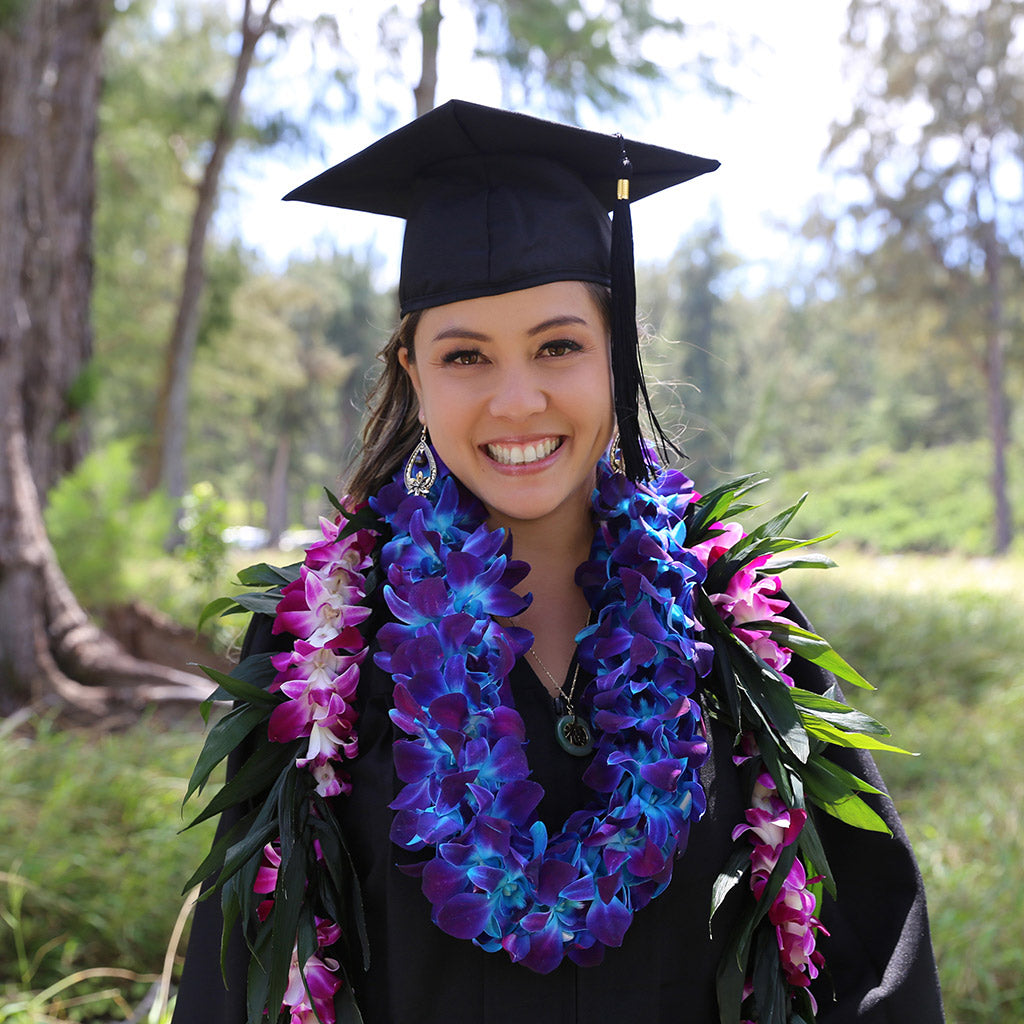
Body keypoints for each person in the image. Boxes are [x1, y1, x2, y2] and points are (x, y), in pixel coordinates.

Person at [173, 100, 945, 1024]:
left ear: (615, 358)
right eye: (466, 356)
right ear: (415, 377)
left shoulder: (733, 619)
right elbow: (249, 962)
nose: (517, 398)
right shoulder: (323, 648)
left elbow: (863, 942)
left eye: (558, 346)